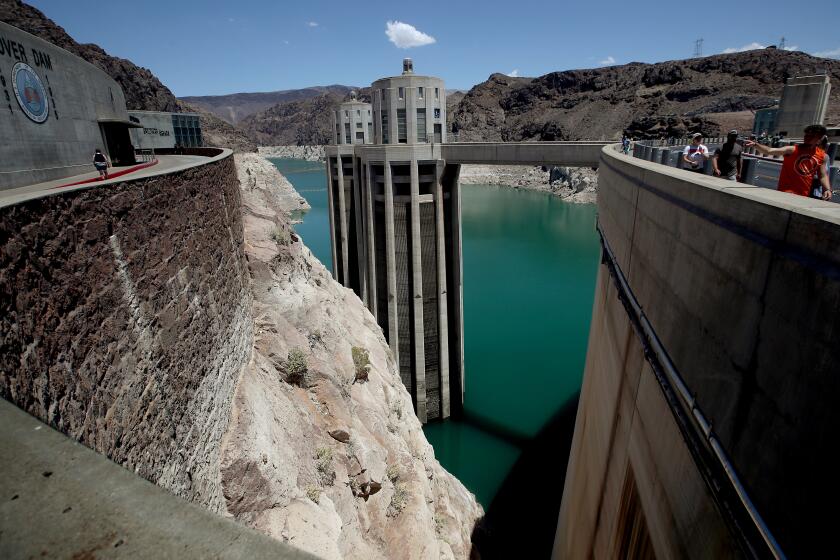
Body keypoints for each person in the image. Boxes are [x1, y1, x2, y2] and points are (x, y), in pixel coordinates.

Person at [745, 124, 831, 200]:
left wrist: (827, 189)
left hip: (804, 195)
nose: (807, 138)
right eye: (806, 135)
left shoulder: (822, 156)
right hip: (785, 193)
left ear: (819, 139)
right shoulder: (792, 149)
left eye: (811, 136)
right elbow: (770, 151)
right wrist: (756, 145)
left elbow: (822, 175)